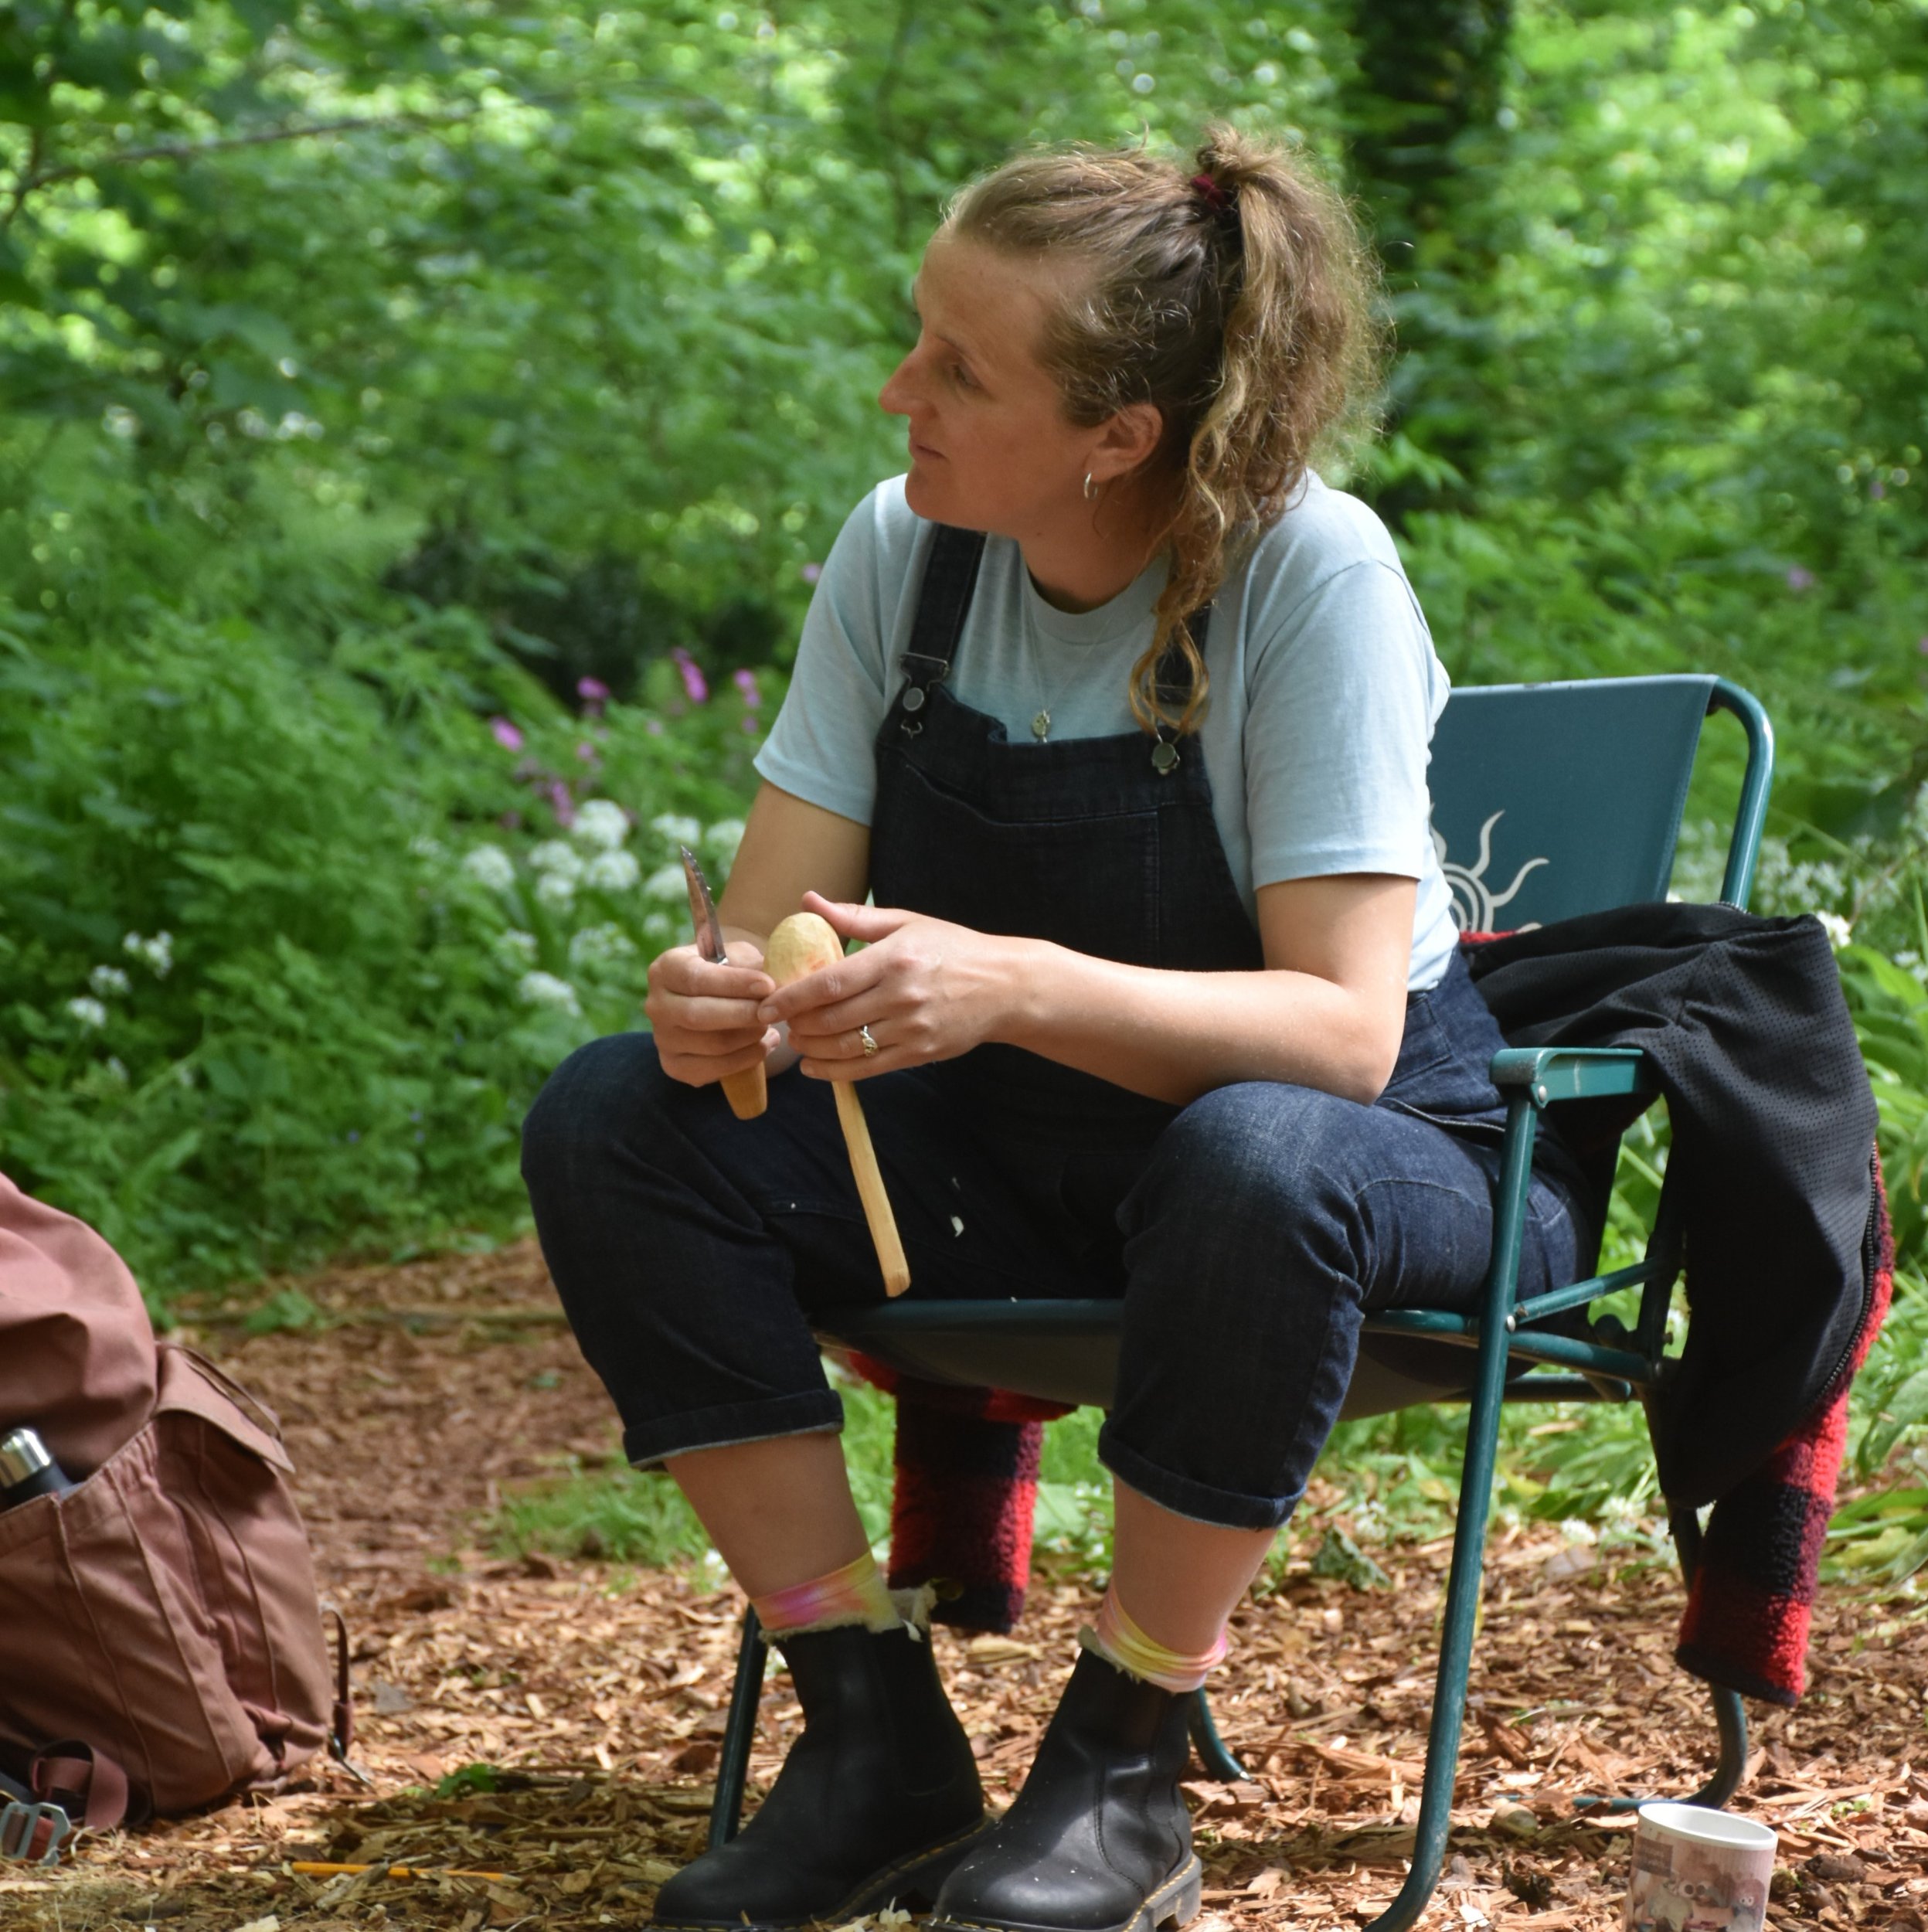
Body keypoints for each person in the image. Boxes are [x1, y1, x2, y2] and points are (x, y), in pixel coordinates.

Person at [520, 126, 1590, 1932]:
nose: (898, 390)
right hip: (1012, 1161)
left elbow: (1334, 1033)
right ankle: (868, 1730)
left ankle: (1118, 1761)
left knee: (1249, 1151)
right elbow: (769, 927)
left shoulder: (1307, 574)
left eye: (959, 368)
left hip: (1374, 1160)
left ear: (1118, 435)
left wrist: (1005, 979)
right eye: (917, 337)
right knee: (616, 1113)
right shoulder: (901, 552)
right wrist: (716, 1001)